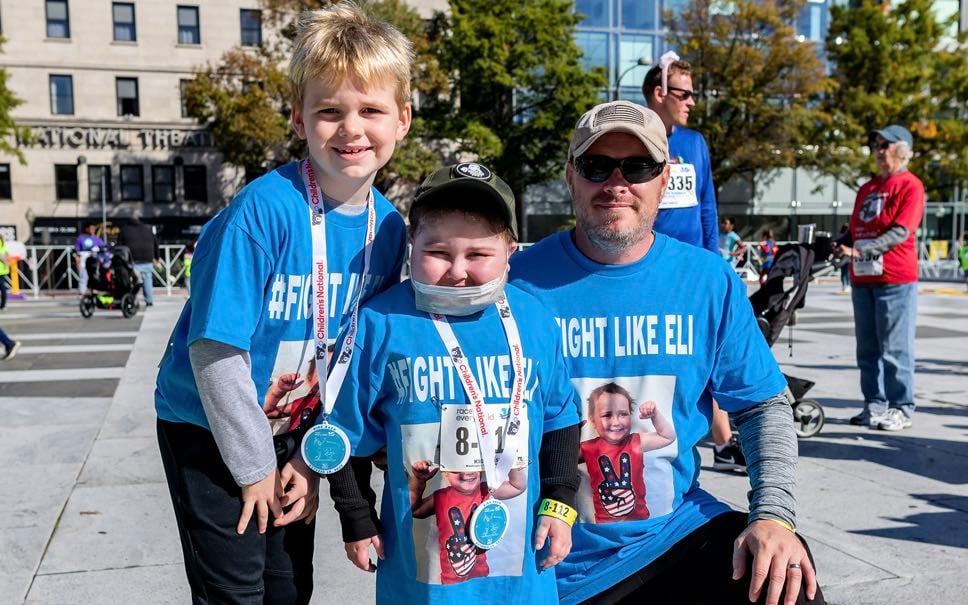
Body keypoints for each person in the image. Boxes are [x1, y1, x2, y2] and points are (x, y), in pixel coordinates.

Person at [511, 100, 824, 605]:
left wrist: (773, 516)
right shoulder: (516, 284)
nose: (617, 184)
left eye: (637, 167)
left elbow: (763, 407)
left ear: (665, 179)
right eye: (596, 167)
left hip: (672, 537)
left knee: (784, 577)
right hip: (546, 560)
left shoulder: (706, 280)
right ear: (571, 177)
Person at [153, 4, 414, 602]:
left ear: (402, 120)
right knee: (236, 591)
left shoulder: (391, 228)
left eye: (371, 110)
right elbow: (216, 352)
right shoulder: (262, 213)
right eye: (329, 111)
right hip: (211, 427)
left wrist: (307, 455)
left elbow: (349, 356)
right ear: (299, 118)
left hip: (290, 431)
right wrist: (254, 468)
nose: (351, 128)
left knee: (289, 586)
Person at [318, 163, 581, 603]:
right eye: (438, 252)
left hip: (521, 584)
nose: (457, 270)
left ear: (510, 249)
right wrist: (356, 518)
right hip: (420, 581)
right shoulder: (379, 324)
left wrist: (560, 505)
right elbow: (341, 438)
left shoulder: (535, 320)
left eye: (478, 255)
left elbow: (559, 420)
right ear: (411, 244)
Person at [643, 52, 745, 474]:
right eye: (683, 93)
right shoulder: (634, 136)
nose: (691, 102)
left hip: (693, 270)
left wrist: (714, 263)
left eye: (692, 94)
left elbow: (706, 206)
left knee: (706, 353)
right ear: (658, 93)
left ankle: (721, 440)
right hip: (649, 268)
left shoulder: (695, 143)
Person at [836, 124, 925, 432]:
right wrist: (840, 243)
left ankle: (901, 406)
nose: (879, 150)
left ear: (902, 149)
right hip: (863, 279)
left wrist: (863, 251)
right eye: (876, 145)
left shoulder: (910, 186)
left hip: (895, 278)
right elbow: (855, 228)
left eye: (886, 145)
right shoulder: (868, 188)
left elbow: (901, 231)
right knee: (868, 348)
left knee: (895, 348)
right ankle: (874, 404)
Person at [409, 463, 526, 585]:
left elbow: (517, 486)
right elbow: (415, 510)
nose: (466, 473)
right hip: (451, 583)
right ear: (445, 472)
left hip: (481, 578)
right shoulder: (441, 497)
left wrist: (511, 457)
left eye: (471, 466)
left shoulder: (486, 491)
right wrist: (419, 481)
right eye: (456, 469)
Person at [579, 383, 675, 523]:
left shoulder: (635, 442)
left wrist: (655, 416)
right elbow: (563, 458)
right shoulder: (589, 447)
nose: (615, 422)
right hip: (605, 526)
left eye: (623, 414)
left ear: (631, 415)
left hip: (639, 523)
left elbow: (667, 437)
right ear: (593, 420)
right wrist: (572, 433)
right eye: (607, 415)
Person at [117, 212, 160, 306]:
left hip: (133, 260)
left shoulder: (125, 230)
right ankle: (149, 300)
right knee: (147, 279)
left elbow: (119, 246)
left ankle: (130, 299)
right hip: (148, 259)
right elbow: (156, 244)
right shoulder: (148, 229)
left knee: (132, 281)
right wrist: (157, 257)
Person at [73, 223, 106, 294]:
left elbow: (103, 248)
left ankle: (95, 291)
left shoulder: (97, 239)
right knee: (83, 276)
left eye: (94, 229)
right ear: (87, 229)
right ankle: (82, 293)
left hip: (94, 260)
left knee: (95, 275)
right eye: (91, 229)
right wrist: (77, 261)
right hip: (84, 260)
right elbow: (76, 251)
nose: (93, 230)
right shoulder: (81, 238)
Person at [838, 223, 851, 292]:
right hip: (847, 256)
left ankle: (845, 285)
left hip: (844, 256)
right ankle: (847, 285)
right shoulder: (846, 236)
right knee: (846, 272)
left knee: (844, 272)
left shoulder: (841, 236)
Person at [0, 233, 10, 310]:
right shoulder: (3, 243)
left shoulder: (2, 244)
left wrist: (5, 261)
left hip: (1, 268)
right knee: (2, 287)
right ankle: (3, 305)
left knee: (2, 287)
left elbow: (2, 255)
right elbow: (7, 254)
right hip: (3, 269)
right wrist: (7, 263)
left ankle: (3, 305)